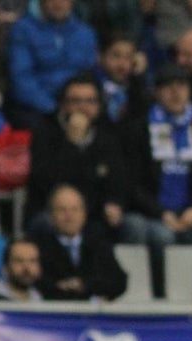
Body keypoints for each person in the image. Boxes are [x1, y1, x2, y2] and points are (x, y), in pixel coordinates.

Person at [121, 63, 192, 297]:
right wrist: (160, 213)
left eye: (181, 86)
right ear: (157, 92)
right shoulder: (139, 129)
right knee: (164, 237)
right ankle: (164, 299)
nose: (176, 93)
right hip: (152, 215)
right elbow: (131, 182)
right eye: (168, 87)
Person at [27, 73, 127, 236]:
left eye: (90, 101)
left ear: (99, 105)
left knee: (132, 227)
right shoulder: (45, 132)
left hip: (96, 213)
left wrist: (114, 203)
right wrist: (71, 145)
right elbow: (44, 182)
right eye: (75, 101)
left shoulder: (108, 135)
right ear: (63, 105)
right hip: (52, 211)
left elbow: (118, 180)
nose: (83, 107)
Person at [5, 0, 98, 128]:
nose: (58, 3)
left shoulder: (85, 33)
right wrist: (53, 108)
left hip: (78, 102)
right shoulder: (23, 30)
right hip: (38, 108)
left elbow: (90, 74)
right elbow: (21, 78)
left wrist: (79, 105)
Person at [32, 184, 127, 301]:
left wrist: (84, 285)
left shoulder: (98, 244)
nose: (69, 216)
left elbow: (119, 281)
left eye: (75, 209)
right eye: (62, 210)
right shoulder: (37, 246)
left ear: (84, 214)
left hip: (93, 316)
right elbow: (35, 281)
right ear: (51, 215)